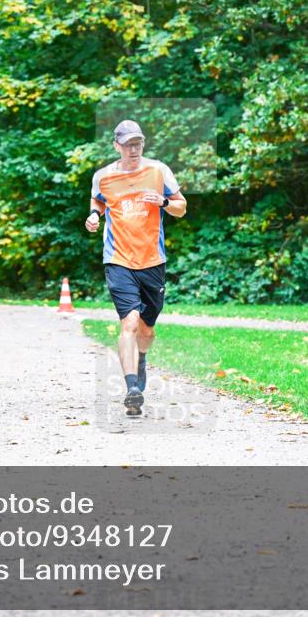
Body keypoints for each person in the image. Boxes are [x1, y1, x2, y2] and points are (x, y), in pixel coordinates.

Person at [86, 120, 187, 416]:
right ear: (116, 146)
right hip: (118, 259)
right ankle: (132, 387)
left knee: (147, 327)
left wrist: (165, 201)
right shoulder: (103, 176)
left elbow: (182, 207)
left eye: (138, 143)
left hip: (153, 261)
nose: (134, 149)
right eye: (128, 144)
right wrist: (94, 215)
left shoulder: (159, 171)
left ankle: (140, 357)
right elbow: (98, 202)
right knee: (128, 322)